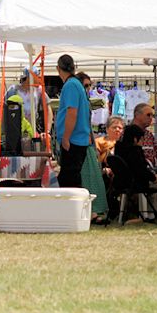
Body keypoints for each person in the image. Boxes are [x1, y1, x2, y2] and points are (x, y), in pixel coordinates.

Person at [114, 124, 157, 222]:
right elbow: (141, 170)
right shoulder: (135, 151)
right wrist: (154, 177)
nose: (143, 142)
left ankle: (152, 214)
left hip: (121, 182)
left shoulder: (118, 148)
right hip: (137, 182)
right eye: (141, 139)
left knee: (154, 187)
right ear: (135, 139)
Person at [76, 72, 108, 224]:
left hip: (88, 142)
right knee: (87, 177)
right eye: (86, 85)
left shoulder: (85, 100)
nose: (88, 88)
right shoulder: (80, 101)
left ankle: (96, 209)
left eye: (89, 85)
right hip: (82, 142)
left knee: (93, 177)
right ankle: (92, 210)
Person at [55, 55, 91, 188]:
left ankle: (75, 208)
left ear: (58, 69)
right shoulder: (76, 84)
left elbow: (72, 112)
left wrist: (66, 137)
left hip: (73, 140)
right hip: (77, 139)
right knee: (69, 178)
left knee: (69, 181)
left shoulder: (70, 85)